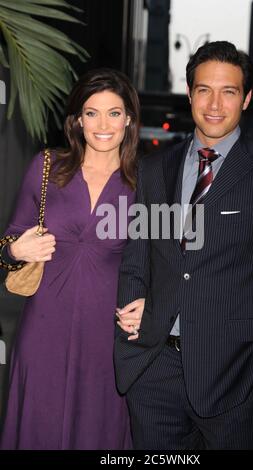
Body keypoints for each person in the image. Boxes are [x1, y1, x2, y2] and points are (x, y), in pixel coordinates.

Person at [114, 41, 253, 450]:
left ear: (246, 98)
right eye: (204, 90)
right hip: (154, 376)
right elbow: (137, 260)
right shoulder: (154, 168)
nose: (214, 103)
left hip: (235, 382)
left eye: (229, 91)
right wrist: (133, 327)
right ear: (190, 93)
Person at [0, 68, 142, 449]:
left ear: (129, 119)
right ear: (77, 120)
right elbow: (6, 245)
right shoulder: (47, 168)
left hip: (108, 342)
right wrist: (15, 250)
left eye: (114, 113)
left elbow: (163, 265)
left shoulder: (145, 183)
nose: (103, 124)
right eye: (91, 113)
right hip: (43, 332)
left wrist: (150, 303)